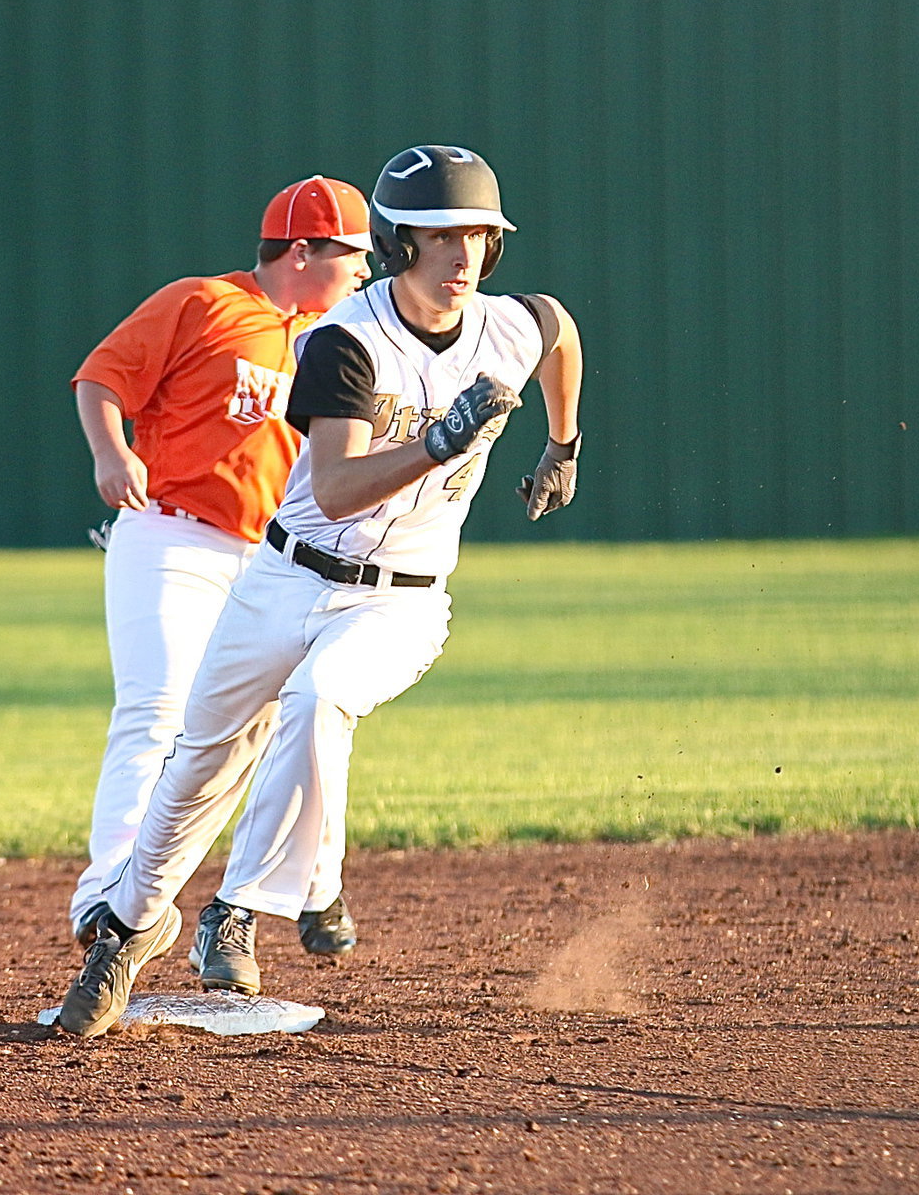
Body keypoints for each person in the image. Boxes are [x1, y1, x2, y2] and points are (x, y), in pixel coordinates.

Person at [58, 145, 583, 1038]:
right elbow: (336, 488)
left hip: (402, 598)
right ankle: (127, 926)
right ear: (399, 242)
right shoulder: (346, 340)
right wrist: (438, 444)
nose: (460, 257)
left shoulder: (508, 322)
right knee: (197, 758)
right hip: (283, 574)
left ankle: (255, 903)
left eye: (478, 239)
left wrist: (562, 443)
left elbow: (561, 330)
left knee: (320, 696)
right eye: (437, 237)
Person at [68, 175, 373, 959]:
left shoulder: (341, 335)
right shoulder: (202, 302)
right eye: (352, 253)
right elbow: (102, 375)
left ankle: (297, 888)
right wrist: (112, 450)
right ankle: (110, 891)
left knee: (283, 722)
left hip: (274, 558)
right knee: (156, 708)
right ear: (301, 251)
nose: (365, 269)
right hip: (172, 538)